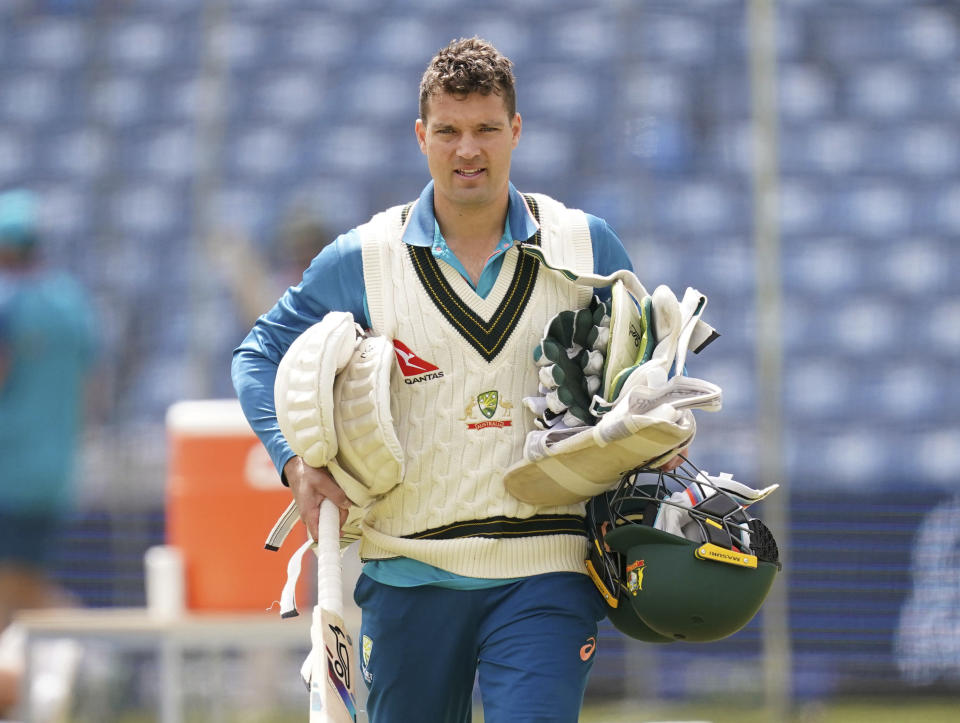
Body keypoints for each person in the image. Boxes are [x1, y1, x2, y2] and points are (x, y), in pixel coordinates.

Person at [233, 37, 682, 723]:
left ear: (516, 131)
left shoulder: (586, 246)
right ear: (421, 136)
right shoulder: (366, 259)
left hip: (547, 568)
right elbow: (258, 355)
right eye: (448, 131)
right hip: (409, 569)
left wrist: (656, 432)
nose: (467, 150)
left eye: (485, 130)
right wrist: (293, 461)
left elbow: (647, 373)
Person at [0, 189, 97, 716]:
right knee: (20, 590)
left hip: (7, 472)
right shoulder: (70, 303)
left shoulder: (6, 302)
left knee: (15, 595)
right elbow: (91, 385)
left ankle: (86, 657)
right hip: (55, 472)